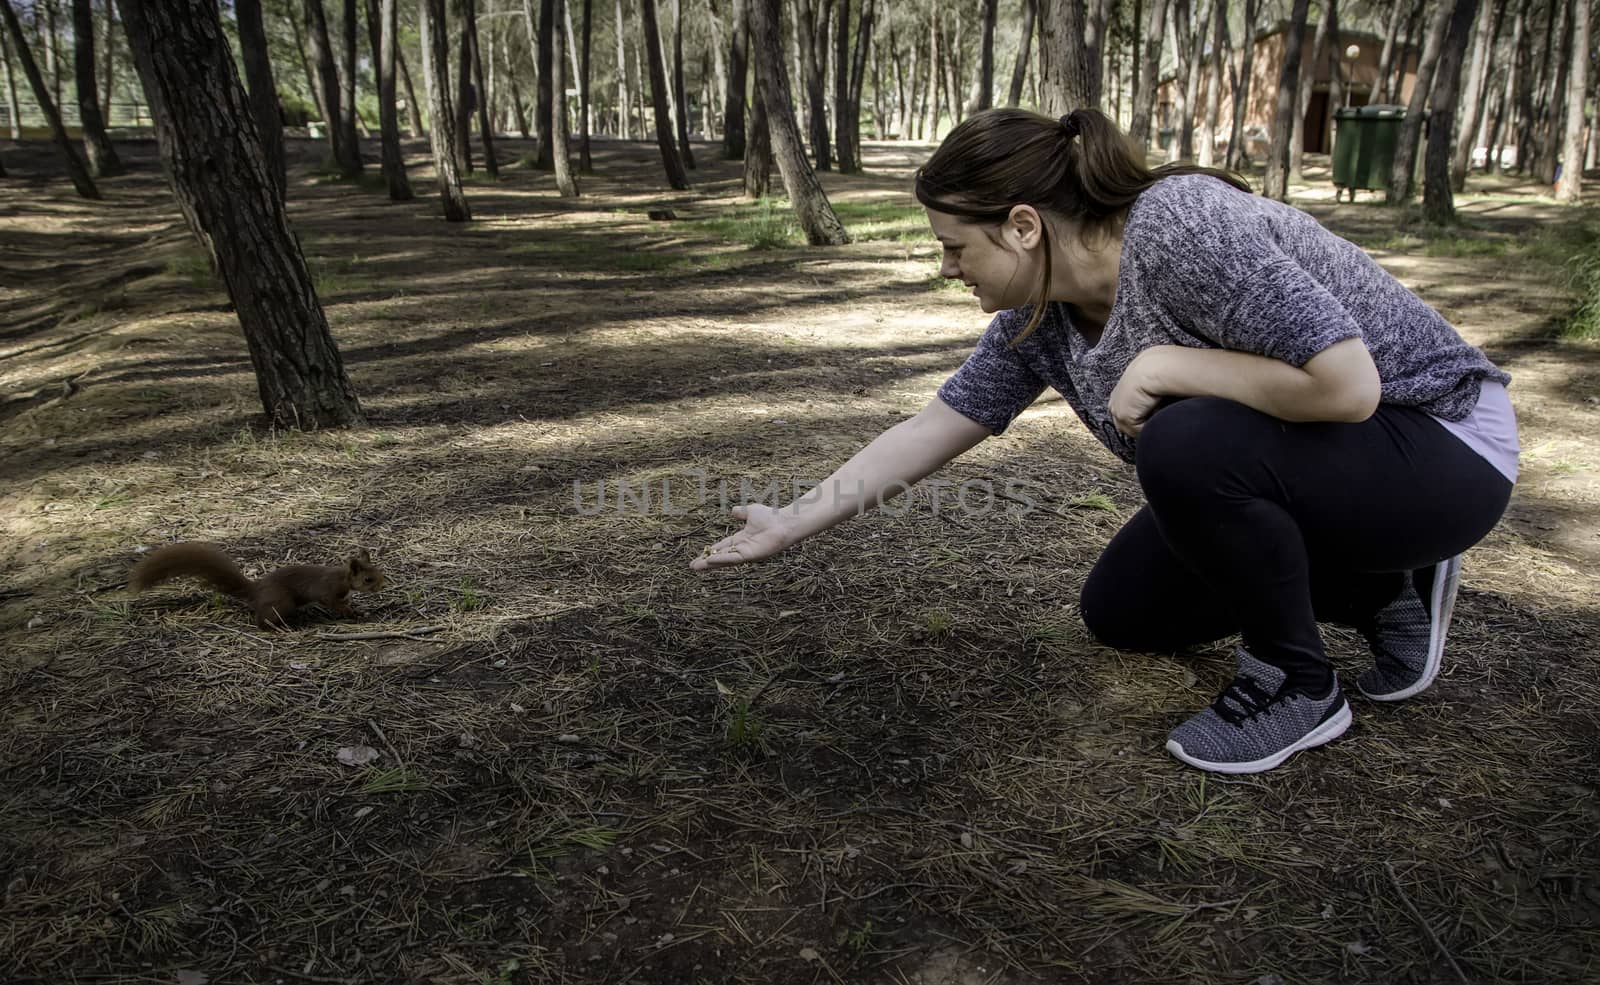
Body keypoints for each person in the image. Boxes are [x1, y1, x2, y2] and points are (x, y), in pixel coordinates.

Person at [689, 108, 1518, 775]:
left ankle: (1297, 685)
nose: (948, 269)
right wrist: (791, 521)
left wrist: (1170, 361)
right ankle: (1380, 589)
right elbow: (937, 424)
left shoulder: (1177, 224)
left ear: (1021, 225)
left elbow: (1348, 387)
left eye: (955, 247)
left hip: (1441, 446)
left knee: (1187, 440)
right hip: (1341, 467)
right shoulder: (1039, 317)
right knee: (1123, 612)